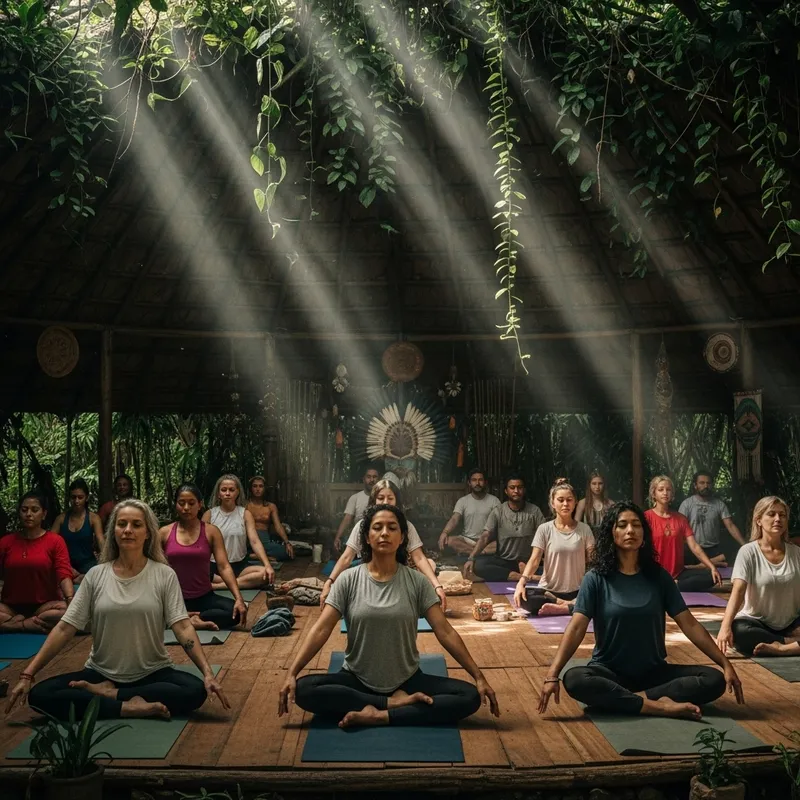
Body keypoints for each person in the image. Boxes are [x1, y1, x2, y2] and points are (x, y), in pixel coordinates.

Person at [4, 499, 230, 721]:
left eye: (136, 525)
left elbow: (182, 627)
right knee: (40, 695)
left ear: (148, 533)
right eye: (122, 524)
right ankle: (126, 707)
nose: (128, 530)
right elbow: (64, 628)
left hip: (152, 672)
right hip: (100, 673)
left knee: (195, 690)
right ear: (113, 531)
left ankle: (110, 696)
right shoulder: (96, 576)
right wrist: (27, 674)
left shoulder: (164, 574)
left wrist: (208, 673)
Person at [278, 503, 499, 728]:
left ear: (402, 537)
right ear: (366, 536)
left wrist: (479, 677)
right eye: (377, 527)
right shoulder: (348, 580)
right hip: (356, 679)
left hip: (408, 680)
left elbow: (445, 631)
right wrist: (292, 672)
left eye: (392, 528)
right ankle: (392, 704)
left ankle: (380, 714)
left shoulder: (418, 582)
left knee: (469, 697)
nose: (384, 533)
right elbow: (321, 629)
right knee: (303, 689)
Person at [538, 501, 744, 720]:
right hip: (609, 673)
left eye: (636, 525)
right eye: (622, 525)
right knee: (575, 678)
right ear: (612, 533)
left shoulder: (659, 577)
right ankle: (660, 706)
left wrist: (725, 663)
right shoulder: (596, 579)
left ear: (644, 533)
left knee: (714, 679)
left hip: (654, 673)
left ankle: (629, 701)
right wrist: (553, 674)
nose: (630, 530)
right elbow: (577, 627)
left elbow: (690, 624)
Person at [321, 480, 445, 610]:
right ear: (374, 500)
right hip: (371, 576)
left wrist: (437, 586)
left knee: (429, 564)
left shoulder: (405, 526)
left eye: (390, 498)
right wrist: (330, 581)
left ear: (397, 501)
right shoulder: (363, 526)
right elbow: (347, 557)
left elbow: (419, 557)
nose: (385, 502)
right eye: (381, 498)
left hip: (398, 576)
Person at [717, 496, 800, 658]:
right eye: (771, 514)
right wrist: (724, 627)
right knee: (740, 632)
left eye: (782, 515)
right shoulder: (748, 552)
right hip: (756, 622)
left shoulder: (796, 553)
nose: (778, 519)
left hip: (792, 622)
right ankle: (793, 643)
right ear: (759, 520)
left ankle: (782, 648)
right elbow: (738, 592)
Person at [159, 485, 248, 631]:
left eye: (192, 503)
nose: (186, 507)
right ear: (175, 504)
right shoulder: (164, 533)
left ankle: (195, 619)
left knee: (236, 612)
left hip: (204, 597)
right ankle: (182, 617)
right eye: (181, 503)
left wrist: (238, 598)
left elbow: (224, 566)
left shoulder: (211, 531)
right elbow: (153, 568)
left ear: (200, 504)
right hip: (174, 599)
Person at [513, 479, 594, 616]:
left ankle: (562, 607)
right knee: (525, 596)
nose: (565, 504)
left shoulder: (584, 529)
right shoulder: (544, 529)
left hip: (577, 590)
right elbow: (534, 559)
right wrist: (521, 582)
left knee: (598, 598)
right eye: (560, 500)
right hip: (549, 591)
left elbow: (593, 558)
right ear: (553, 503)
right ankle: (568, 605)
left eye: (569, 500)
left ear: (575, 503)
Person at [0, 492, 74, 633]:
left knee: (66, 611)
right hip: (10, 607)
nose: (29, 514)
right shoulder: (5, 542)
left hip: (45, 607)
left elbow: (64, 574)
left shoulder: (55, 541)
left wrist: (71, 600)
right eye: (24, 510)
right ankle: (24, 625)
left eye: (34, 510)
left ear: (44, 514)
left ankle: (14, 624)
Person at [645, 476, 721, 592]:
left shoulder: (681, 519)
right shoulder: (646, 518)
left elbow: (694, 546)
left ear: (672, 494)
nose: (665, 493)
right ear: (653, 494)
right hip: (655, 572)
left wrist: (712, 567)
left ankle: (673, 585)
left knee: (712, 576)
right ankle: (668, 585)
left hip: (678, 573)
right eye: (661, 490)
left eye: (668, 490)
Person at [463, 475, 545, 583]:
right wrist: (471, 558)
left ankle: (524, 574)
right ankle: (522, 577)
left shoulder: (534, 511)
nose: (516, 491)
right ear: (506, 491)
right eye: (512, 488)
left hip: (530, 562)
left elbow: (545, 536)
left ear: (524, 490)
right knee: (479, 565)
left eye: (519, 487)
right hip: (505, 562)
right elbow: (485, 536)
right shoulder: (498, 511)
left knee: (553, 569)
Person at [202, 475, 275, 591]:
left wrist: (267, 564)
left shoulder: (245, 514)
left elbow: (254, 541)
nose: (227, 493)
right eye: (223, 490)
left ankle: (217, 586)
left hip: (240, 567)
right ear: (218, 493)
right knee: (197, 573)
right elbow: (201, 543)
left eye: (231, 490)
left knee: (265, 573)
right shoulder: (209, 514)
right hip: (216, 568)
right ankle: (240, 582)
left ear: (237, 492)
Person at [678, 471, 746, 567]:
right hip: (693, 549)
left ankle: (700, 566)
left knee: (736, 549)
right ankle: (713, 563)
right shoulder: (687, 504)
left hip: (713, 549)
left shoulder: (719, 504)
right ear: (695, 485)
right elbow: (680, 528)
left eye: (708, 483)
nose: (705, 486)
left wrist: (745, 545)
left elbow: (730, 525)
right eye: (702, 483)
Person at [437, 468, 501, 555]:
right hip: (467, 540)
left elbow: (500, 523)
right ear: (469, 483)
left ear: (485, 482)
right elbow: (454, 519)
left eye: (480, 480)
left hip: (487, 541)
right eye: (474, 480)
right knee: (450, 540)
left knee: (502, 543)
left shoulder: (494, 501)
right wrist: (444, 532)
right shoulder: (463, 501)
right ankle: (480, 553)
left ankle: (473, 552)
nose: (477, 483)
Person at [52, 478, 105, 582]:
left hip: (88, 566)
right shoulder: (61, 519)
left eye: (80, 497)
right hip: (66, 566)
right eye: (73, 497)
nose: (76, 501)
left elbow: (101, 541)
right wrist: (67, 568)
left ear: (86, 498)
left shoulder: (93, 518)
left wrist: (105, 563)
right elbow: (49, 544)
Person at [333, 465, 381, 552]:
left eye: (374, 477)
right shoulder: (355, 498)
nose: (372, 480)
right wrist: (337, 537)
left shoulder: (383, 498)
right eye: (368, 477)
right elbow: (347, 519)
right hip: (360, 539)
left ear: (379, 480)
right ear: (364, 479)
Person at [246, 476, 294, 562]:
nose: (258, 489)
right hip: (249, 540)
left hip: (265, 540)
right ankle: (265, 557)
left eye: (260, 486)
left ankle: (255, 556)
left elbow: (278, 526)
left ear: (265, 488)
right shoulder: (245, 505)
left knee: (288, 553)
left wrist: (287, 543)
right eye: (255, 486)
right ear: (251, 488)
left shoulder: (271, 507)